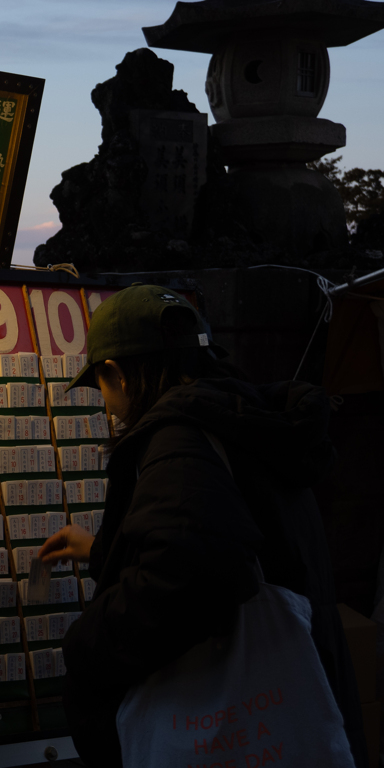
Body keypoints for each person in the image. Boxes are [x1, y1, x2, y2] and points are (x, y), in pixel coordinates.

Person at [37, 284, 366, 767]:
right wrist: (105, 551)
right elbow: (237, 532)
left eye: (102, 387)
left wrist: (86, 645)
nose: (107, 406)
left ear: (117, 374)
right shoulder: (251, 419)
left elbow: (193, 571)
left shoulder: (178, 439)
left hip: (233, 727)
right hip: (302, 703)